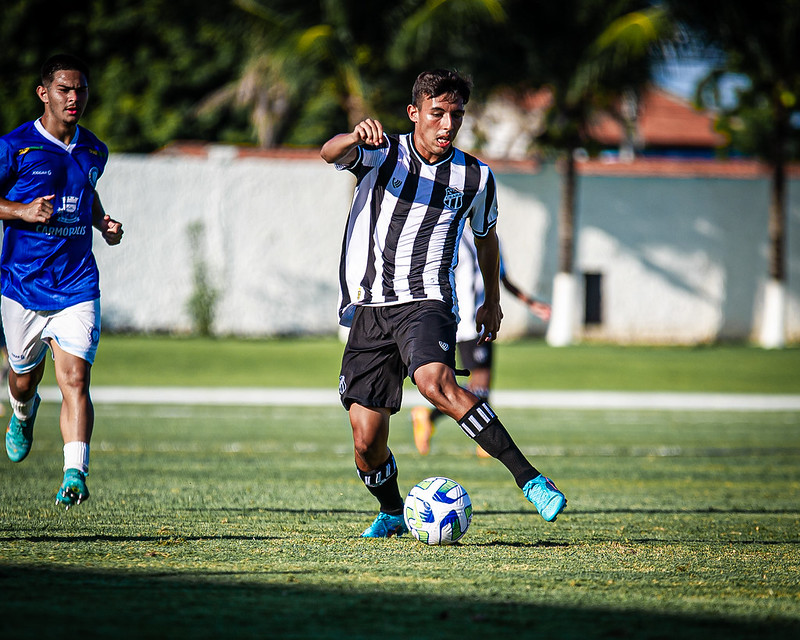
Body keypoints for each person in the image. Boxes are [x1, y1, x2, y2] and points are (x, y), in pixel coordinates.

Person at [320, 68, 566, 538]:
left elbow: (486, 236)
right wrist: (354, 134)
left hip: (428, 300)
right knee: (366, 442)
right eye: (438, 113)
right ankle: (392, 511)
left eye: (456, 114)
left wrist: (492, 301)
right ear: (415, 113)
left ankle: (531, 479)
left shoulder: (476, 176)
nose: (447, 124)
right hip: (371, 309)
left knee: (434, 383)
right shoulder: (381, 152)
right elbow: (328, 152)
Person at [0, 54, 124, 509]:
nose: (75, 98)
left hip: (76, 285)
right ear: (44, 93)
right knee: (22, 380)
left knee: (75, 378)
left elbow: (85, 192)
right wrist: (21, 211)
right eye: (65, 90)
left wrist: (102, 224)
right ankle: (21, 412)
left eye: (82, 90)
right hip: (22, 285)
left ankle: (75, 472)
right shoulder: (14, 147)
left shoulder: (95, 149)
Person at [411, 226, 551, 457]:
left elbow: (501, 277)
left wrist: (530, 303)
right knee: (481, 384)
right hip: (465, 322)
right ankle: (469, 432)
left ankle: (435, 419)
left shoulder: (491, 237)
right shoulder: (448, 233)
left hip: (483, 319)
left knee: (483, 385)